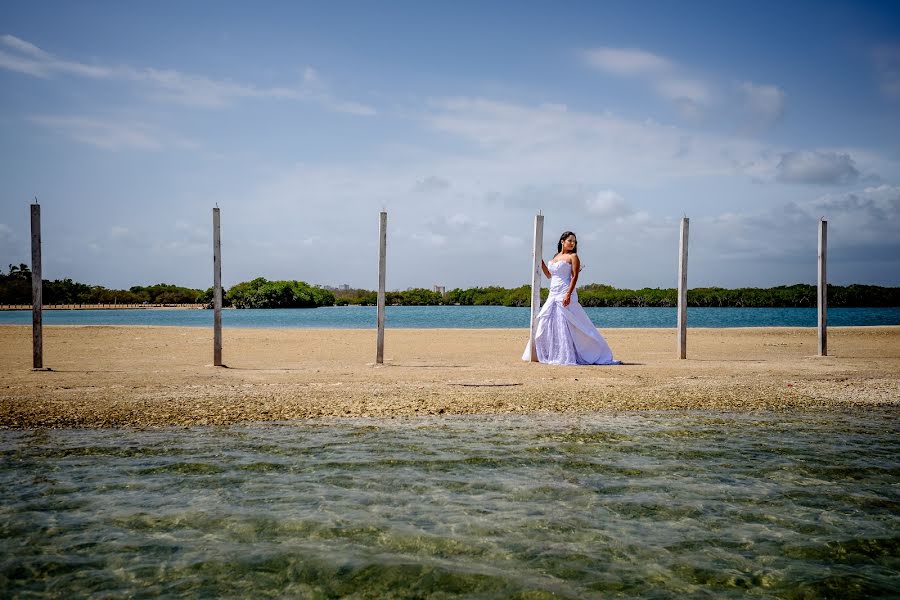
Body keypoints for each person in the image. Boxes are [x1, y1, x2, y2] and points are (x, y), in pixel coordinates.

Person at [522, 231, 621, 365]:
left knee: (569, 323)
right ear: (562, 241)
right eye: (570, 240)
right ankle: (550, 353)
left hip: (565, 291)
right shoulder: (556, 256)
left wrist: (568, 293)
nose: (573, 243)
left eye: (574, 241)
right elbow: (548, 274)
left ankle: (579, 352)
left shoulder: (573, 257)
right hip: (553, 293)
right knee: (547, 322)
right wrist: (539, 260)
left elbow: (575, 276)